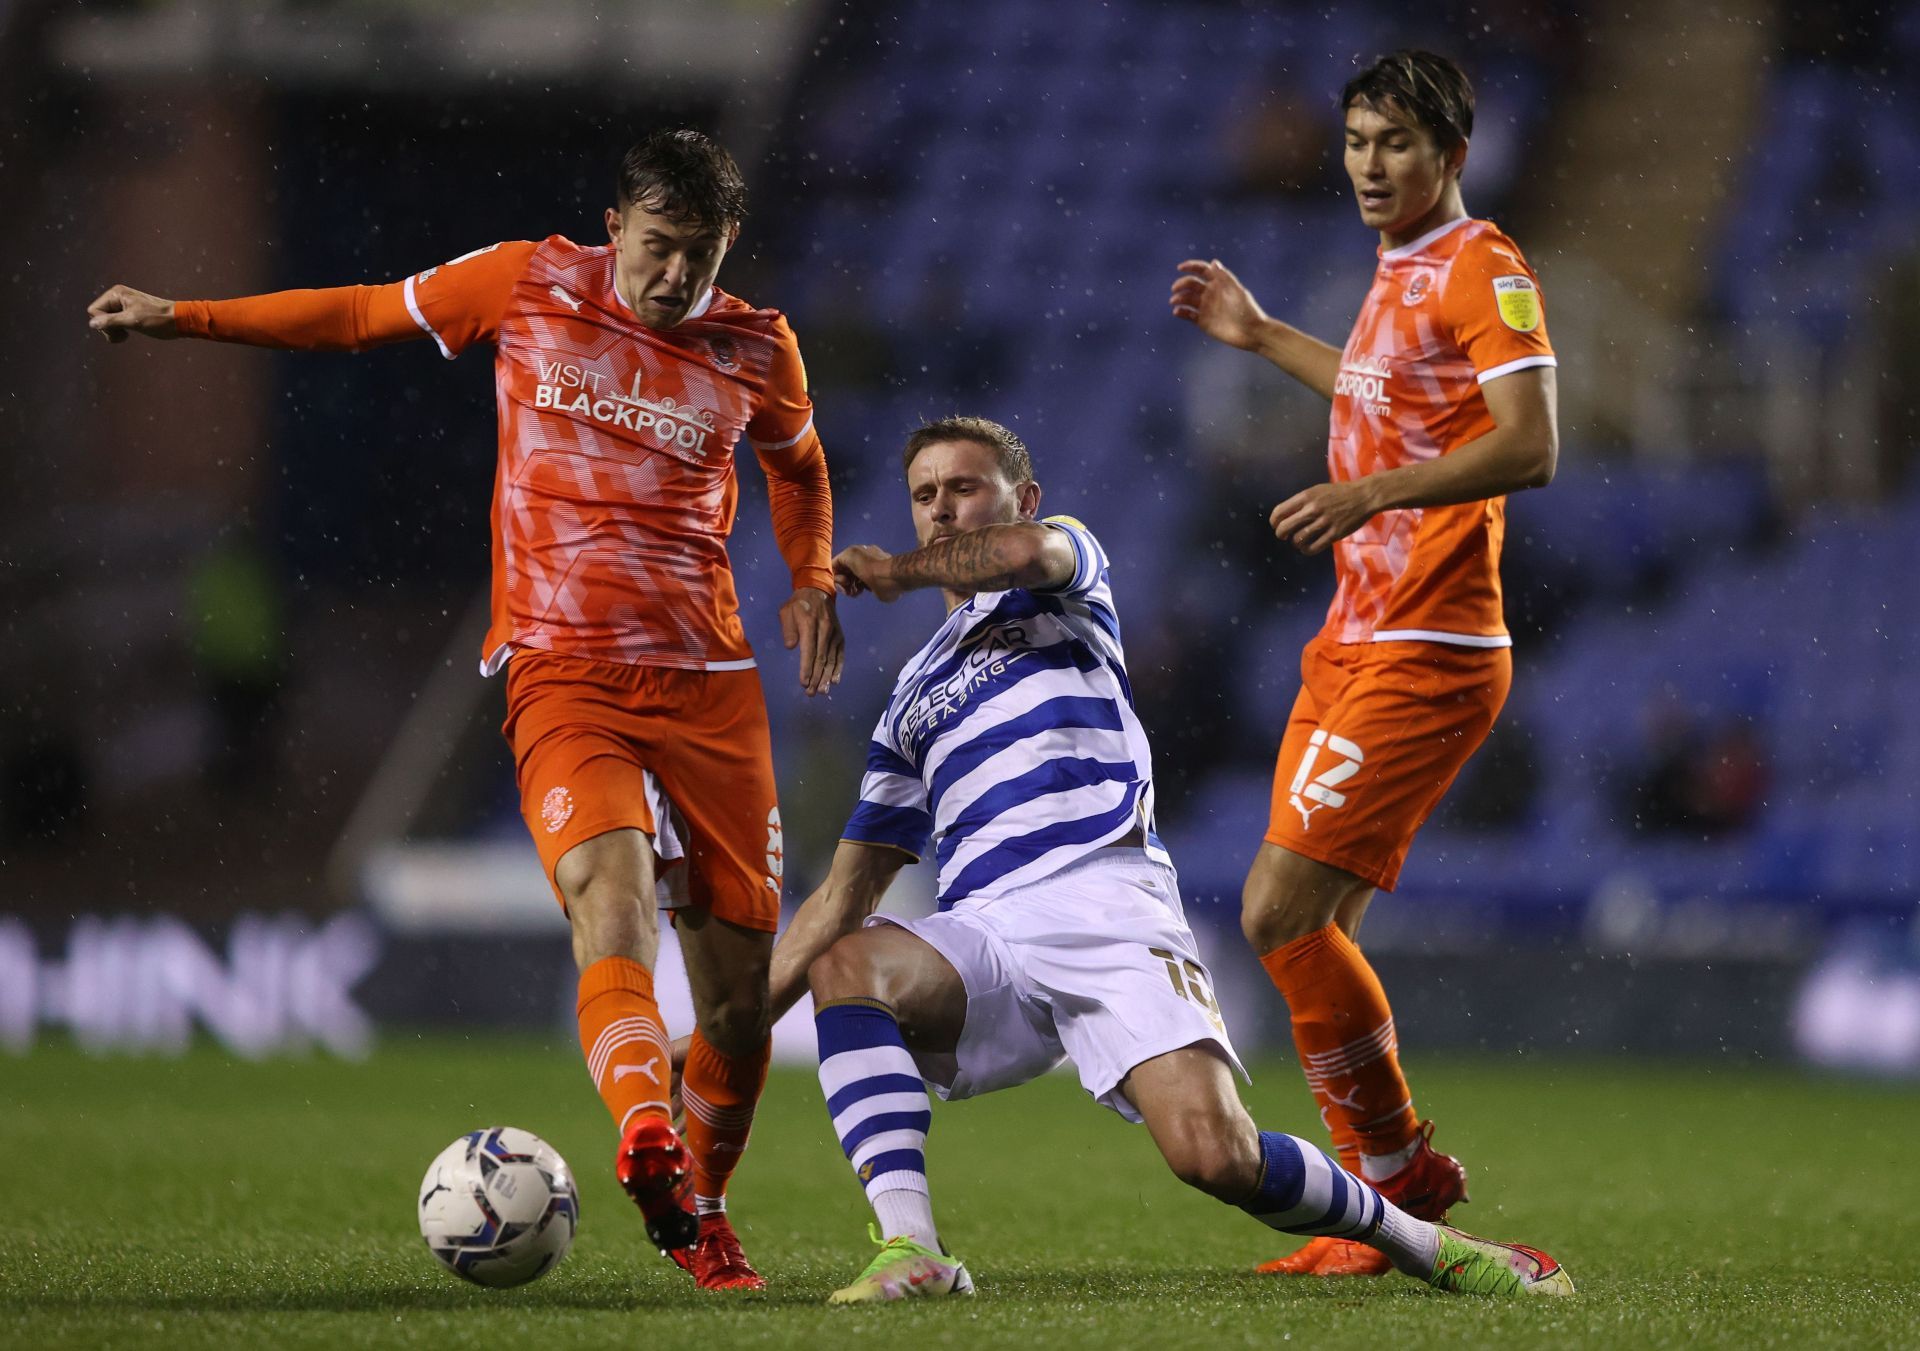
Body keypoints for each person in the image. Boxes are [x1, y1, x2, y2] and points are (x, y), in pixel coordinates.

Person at [87, 128, 844, 1290]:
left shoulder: (757, 346)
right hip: (562, 670)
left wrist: (814, 581)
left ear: (728, 247)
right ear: (614, 229)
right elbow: (354, 315)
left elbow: (798, 466)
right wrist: (184, 315)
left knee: (740, 1008)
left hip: (708, 689)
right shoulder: (525, 281)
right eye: (657, 249)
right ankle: (648, 1137)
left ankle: (699, 1202)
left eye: (700, 256)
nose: (674, 278)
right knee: (612, 894)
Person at [757, 415, 1571, 1303]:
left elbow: (1023, 554)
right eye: (925, 495)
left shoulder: (1062, 573)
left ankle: (1421, 1240)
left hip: (1107, 900)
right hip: (986, 929)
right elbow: (843, 890)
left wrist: (896, 571)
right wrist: (729, 1033)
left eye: (965, 488)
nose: (943, 510)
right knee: (848, 960)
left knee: (1217, 1155)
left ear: (1022, 497)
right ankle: (912, 1247)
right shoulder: (909, 697)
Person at [1169, 50, 1560, 1278]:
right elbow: (1385, 394)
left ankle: (1395, 1185)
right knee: (1307, 925)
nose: (1369, 166)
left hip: (1431, 646)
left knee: (1276, 911)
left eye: (1395, 143)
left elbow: (1532, 444)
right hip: (1355, 635)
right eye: (1354, 142)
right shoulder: (1397, 270)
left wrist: (1377, 490)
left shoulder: (1485, 264)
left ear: (1452, 153)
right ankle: (1383, 1219)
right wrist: (1263, 335)